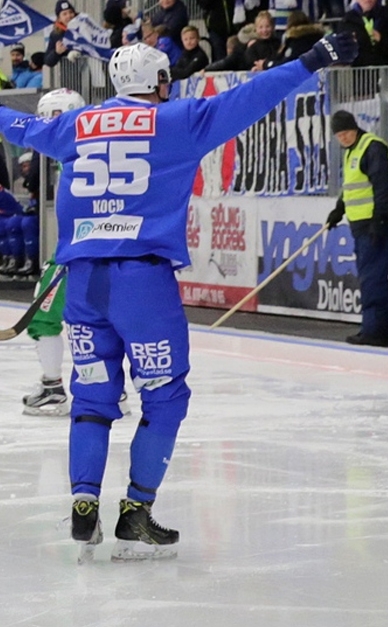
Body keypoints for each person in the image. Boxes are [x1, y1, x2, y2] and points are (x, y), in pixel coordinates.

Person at [0, 33, 356, 562]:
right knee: (165, 395)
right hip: (141, 282)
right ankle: (136, 510)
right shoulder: (178, 120)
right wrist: (312, 59)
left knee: (92, 399)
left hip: (82, 283)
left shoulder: (77, 124)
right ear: (159, 82)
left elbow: (19, 125)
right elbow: (252, 97)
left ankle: (83, 502)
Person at [18, 89, 86, 417]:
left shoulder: (67, 148)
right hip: (111, 249)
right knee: (102, 321)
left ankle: (53, 388)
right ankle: (110, 390)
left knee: (44, 317)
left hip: (74, 251)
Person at [324, 110, 388, 348]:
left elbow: (384, 187)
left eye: (346, 132)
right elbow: (352, 188)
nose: (343, 138)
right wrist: (339, 209)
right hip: (359, 225)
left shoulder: (371, 147)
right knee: (372, 276)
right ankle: (382, 330)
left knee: (371, 277)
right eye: (339, 135)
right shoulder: (351, 152)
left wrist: (379, 220)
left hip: (375, 225)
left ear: (354, 128)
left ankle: (373, 330)